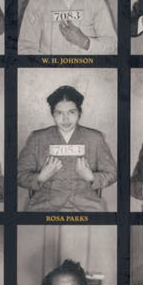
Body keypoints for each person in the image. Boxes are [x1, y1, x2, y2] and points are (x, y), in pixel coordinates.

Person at [17, 84, 117, 213]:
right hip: (44, 203)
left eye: (71, 112)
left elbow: (112, 174)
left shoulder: (95, 138)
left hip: (88, 204)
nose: (65, 119)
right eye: (59, 113)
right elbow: (19, 174)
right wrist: (41, 177)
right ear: (52, 114)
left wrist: (91, 177)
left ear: (79, 113)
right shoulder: (37, 138)